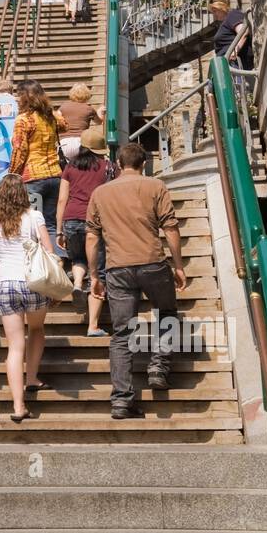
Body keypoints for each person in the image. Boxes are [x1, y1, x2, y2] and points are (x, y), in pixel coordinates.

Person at [85, 142, 187, 419]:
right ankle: (158, 367)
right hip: (153, 262)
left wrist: (94, 274)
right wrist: (178, 266)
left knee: (121, 334)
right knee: (167, 313)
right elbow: (170, 227)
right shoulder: (156, 186)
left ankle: (121, 400)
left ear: (118, 164)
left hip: (118, 268)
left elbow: (92, 237)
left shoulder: (100, 193)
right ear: (144, 163)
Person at [0, 173, 54, 423]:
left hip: (6, 282)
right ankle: (32, 377)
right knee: (36, 328)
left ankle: (18, 405)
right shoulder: (34, 217)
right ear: (23, 194)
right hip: (32, 281)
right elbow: (48, 249)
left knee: (14, 346)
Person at [56, 130, 114, 338]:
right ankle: (93, 325)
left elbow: (62, 199)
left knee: (78, 257)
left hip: (71, 219)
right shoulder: (108, 167)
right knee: (98, 271)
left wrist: (59, 229)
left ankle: (78, 284)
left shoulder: (70, 168)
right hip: (96, 221)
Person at [8, 83, 66, 254]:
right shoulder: (50, 116)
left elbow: (20, 149)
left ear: (25, 97)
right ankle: (57, 262)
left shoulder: (24, 119)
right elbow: (65, 125)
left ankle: (35, 265)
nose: (17, 100)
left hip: (32, 177)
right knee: (50, 224)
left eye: (18, 95)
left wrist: (11, 174)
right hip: (55, 175)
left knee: (31, 224)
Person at [57, 83, 106, 163]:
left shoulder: (63, 107)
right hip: (80, 142)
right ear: (87, 95)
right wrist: (100, 111)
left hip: (64, 143)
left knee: (66, 166)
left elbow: (57, 119)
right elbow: (99, 121)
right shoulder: (89, 109)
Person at [210, 0, 254, 69]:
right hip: (228, 63)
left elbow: (243, 32)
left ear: (221, 8)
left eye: (215, 11)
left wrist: (235, 51)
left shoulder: (232, 15)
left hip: (235, 63)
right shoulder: (227, 20)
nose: (214, 14)